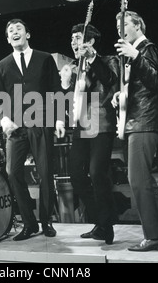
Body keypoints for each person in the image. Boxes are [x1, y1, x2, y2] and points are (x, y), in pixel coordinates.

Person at [0, 18, 65, 241]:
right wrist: (4, 120)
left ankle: (46, 220)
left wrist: (60, 120)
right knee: (13, 173)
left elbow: (56, 91)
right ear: (7, 39)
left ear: (28, 34)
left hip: (41, 122)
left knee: (44, 173)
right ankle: (29, 224)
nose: (14, 32)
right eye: (10, 31)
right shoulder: (2, 66)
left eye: (18, 29)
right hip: (15, 129)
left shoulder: (44, 59)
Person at [112, 10, 158, 252]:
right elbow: (142, 86)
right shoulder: (136, 53)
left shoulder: (146, 49)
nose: (120, 29)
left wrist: (136, 55)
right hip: (137, 120)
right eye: (117, 26)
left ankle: (154, 236)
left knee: (137, 180)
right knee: (144, 178)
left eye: (124, 24)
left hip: (144, 122)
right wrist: (121, 95)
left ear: (138, 25)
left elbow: (156, 81)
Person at [63, 23, 119, 244]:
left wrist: (93, 58)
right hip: (81, 125)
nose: (73, 42)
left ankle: (105, 223)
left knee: (97, 173)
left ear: (91, 41)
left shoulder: (108, 60)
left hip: (101, 122)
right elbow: (71, 104)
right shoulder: (73, 67)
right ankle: (103, 222)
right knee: (76, 175)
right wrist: (66, 85)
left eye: (78, 37)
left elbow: (111, 80)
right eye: (72, 38)